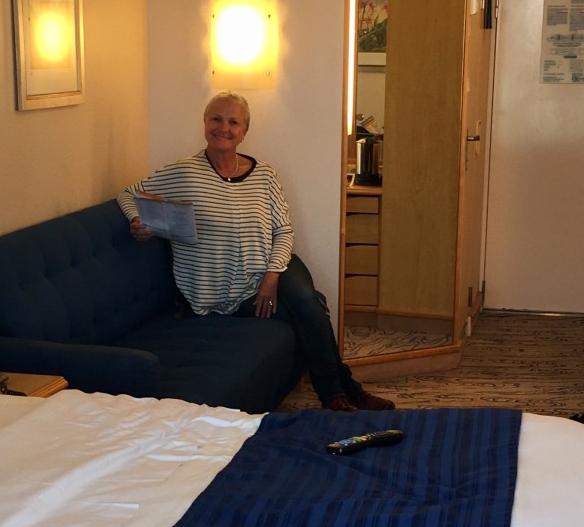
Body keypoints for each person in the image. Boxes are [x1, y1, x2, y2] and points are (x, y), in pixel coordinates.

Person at [117, 92, 394, 412]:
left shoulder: (265, 174)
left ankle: (335, 395)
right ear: (205, 123)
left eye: (233, 122)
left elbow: (284, 231)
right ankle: (344, 389)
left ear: (244, 132)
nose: (223, 128)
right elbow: (128, 195)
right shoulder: (184, 173)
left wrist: (270, 278)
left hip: (275, 266)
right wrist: (137, 220)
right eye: (216, 119)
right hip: (224, 291)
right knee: (312, 308)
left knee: (306, 301)